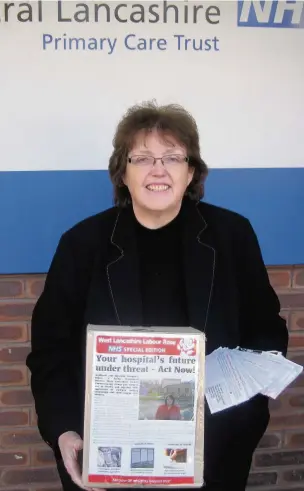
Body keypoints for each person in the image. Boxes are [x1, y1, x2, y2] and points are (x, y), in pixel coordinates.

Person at [26, 101, 288, 491]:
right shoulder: (82, 245)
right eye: (143, 158)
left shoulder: (233, 236)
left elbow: (266, 332)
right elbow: (51, 351)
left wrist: (244, 415)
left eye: (172, 157)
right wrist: (64, 431)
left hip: (215, 452)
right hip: (109, 454)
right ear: (123, 173)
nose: (158, 170)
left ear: (191, 172)